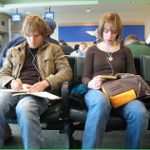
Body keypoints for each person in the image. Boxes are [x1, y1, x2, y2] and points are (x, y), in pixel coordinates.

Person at [0, 15, 72, 149]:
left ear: (43, 34)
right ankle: (4, 134)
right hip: (15, 90)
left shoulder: (54, 49)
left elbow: (66, 72)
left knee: (25, 107)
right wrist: (11, 82)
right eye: (29, 36)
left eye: (36, 36)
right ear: (24, 34)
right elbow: (3, 73)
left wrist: (46, 82)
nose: (32, 40)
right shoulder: (13, 51)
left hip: (39, 93)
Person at [82, 12, 149, 149]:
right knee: (101, 102)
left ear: (118, 32)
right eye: (106, 31)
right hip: (98, 91)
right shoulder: (92, 50)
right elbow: (85, 77)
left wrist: (121, 78)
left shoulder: (125, 51)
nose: (109, 36)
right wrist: (90, 83)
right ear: (101, 31)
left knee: (139, 112)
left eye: (114, 32)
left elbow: (132, 76)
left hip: (121, 93)